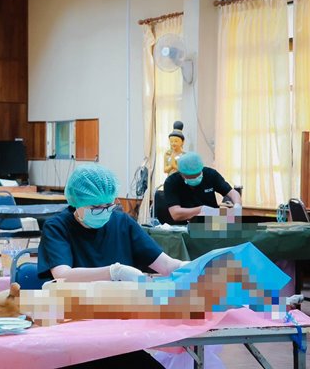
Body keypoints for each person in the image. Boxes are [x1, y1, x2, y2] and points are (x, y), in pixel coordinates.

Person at [38, 163, 186, 368]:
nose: (104, 212)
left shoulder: (122, 222)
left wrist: (195, 266)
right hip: (77, 330)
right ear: (76, 202)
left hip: (120, 330)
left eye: (108, 205)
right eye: (96, 208)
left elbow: (167, 265)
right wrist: (114, 271)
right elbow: (62, 274)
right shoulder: (57, 227)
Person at [163, 151, 242, 224]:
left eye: (197, 175)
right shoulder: (171, 182)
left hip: (212, 222)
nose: (194, 178)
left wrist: (237, 206)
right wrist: (201, 210)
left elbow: (232, 192)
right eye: (190, 177)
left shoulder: (210, 175)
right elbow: (175, 214)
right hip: (183, 226)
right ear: (181, 173)